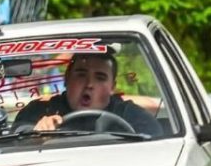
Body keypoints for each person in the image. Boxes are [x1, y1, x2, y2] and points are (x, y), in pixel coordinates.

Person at [13, 52, 162, 136]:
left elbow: (156, 144)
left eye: (100, 78)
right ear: (67, 79)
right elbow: (15, 138)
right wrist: (34, 133)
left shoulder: (129, 114)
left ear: (112, 87)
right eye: (81, 75)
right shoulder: (40, 111)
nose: (89, 84)